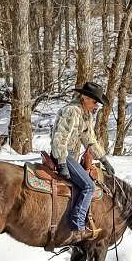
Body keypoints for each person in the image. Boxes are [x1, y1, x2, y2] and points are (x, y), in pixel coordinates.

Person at [50, 81, 115, 237]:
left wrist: (104, 159)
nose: (96, 106)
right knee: (89, 186)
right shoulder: (72, 111)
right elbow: (60, 138)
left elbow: (89, 139)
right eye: (94, 102)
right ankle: (77, 222)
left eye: (97, 103)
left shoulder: (85, 115)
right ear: (85, 97)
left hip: (70, 156)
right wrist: (62, 162)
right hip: (63, 155)